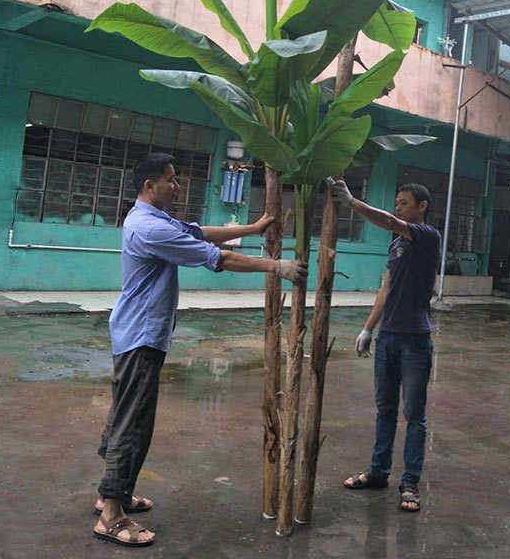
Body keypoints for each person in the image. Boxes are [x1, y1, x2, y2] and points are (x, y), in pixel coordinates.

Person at [93, 153, 307, 547]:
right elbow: (218, 258)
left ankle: (112, 493)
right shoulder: (149, 228)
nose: (177, 186)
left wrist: (255, 226)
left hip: (137, 332)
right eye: (171, 181)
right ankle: (111, 514)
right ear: (149, 186)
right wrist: (276, 267)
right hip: (141, 336)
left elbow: (199, 232)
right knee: (133, 423)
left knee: (125, 414)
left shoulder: (151, 217)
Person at [328, 179, 441, 513]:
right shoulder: (397, 245)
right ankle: (378, 472)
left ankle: (410, 483)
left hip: (415, 339)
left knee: (414, 415)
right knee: (385, 410)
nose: (398, 207)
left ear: (421, 207)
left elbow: (390, 222)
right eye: (396, 202)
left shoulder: (427, 236)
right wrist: (367, 328)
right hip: (388, 337)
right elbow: (385, 289)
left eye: (404, 202)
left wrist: (353, 202)